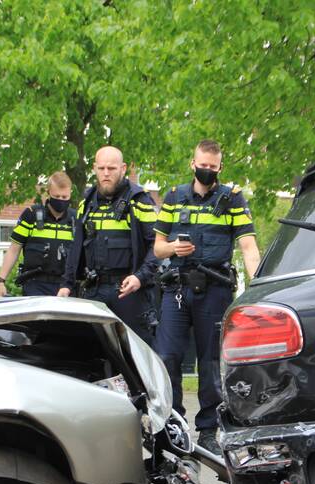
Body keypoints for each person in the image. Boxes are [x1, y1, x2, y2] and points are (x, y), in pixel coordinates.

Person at [153, 139, 261, 453]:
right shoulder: (174, 197)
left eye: (213, 167)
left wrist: (258, 287)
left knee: (210, 363)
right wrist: (174, 248)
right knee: (167, 356)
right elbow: (158, 247)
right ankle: (173, 424)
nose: (207, 171)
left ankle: (209, 431)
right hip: (177, 288)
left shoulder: (233, 199)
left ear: (219, 168)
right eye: (203, 165)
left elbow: (249, 247)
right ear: (193, 163)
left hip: (214, 290)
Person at [59, 146, 159, 342]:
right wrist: (67, 284)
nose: (106, 173)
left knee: (135, 357)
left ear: (123, 168)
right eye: (101, 168)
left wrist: (140, 277)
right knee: (94, 354)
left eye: (112, 168)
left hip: (129, 292)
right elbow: (76, 248)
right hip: (94, 291)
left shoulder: (139, 201)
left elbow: (157, 246)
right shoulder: (86, 204)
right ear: (95, 168)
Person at [0, 172, 74, 296]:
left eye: (64, 197)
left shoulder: (75, 220)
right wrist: (1, 281)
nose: (61, 200)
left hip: (65, 287)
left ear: (70, 193)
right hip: (35, 285)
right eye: (57, 196)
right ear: (48, 193)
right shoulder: (31, 215)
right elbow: (14, 250)